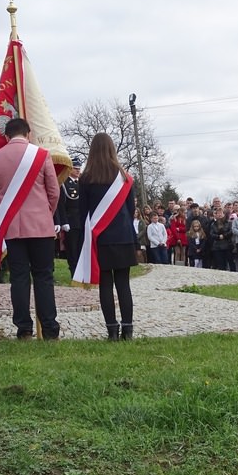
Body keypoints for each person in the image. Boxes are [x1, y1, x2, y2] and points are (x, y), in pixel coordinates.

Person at [0, 118, 60, 340]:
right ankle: (49, 328)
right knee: (44, 277)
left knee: (19, 278)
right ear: (28, 134)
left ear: (7, 137)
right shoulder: (42, 155)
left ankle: (24, 328)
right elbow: (54, 191)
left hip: (12, 227)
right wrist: (45, 212)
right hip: (41, 226)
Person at [75, 133, 138, 340]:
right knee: (123, 284)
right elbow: (130, 211)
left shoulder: (86, 178)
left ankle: (111, 330)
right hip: (123, 237)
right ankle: (127, 330)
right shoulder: (125, 178)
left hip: (99, 238)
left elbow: (82, 212)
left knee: (105, 285)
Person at [58, 156, 83, 277]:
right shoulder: (64, 183)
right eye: (75, 168)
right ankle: (74, 273)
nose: (78, 170)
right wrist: (63, 221)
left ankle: (82, 273)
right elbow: (61, 205)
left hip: (82, 220)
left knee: (81, 248)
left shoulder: (82, 183)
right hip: (71, 221)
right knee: (72, 250)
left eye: (79, 168)